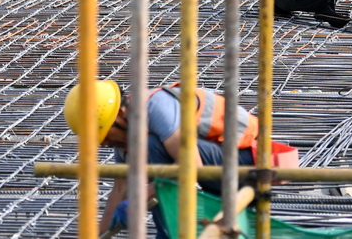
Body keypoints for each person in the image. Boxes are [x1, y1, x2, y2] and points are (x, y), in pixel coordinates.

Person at [64, 80, 258, 239]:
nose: (105, 143)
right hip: (217, 175)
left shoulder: (156, 107)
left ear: (120, 115)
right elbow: (120, 190)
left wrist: (140, 199)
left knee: (151, 146)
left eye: (105, 135)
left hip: (245, 164)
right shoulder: (125, 139)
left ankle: (168, 235)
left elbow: (192, 165)